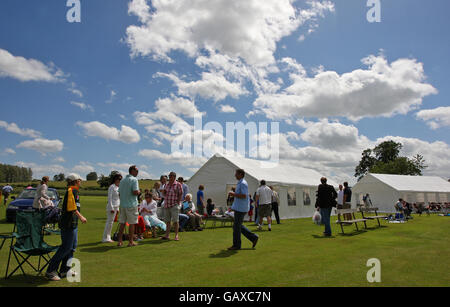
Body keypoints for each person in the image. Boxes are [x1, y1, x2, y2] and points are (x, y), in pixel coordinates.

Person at [46, 174, 87, 281]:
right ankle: (51, 271)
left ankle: (65, 270)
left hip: (73, 224)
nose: (80, 182)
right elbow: (71, 207)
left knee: (72, 247)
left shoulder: (75, 191)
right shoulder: (71, 190)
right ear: (75, 181)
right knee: (66, 247)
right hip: (68, 224)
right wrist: (81, 216)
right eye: (79, 180)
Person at [228, 169, 259, 250]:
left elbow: (244, 196)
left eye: (236, 173)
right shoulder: (240, 183)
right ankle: (253, 237)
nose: (235, 175)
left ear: (241, 174)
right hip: (240, 207)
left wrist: (233, 194)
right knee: (237, 226)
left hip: (241, 208)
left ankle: (237, 245)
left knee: (236, 227)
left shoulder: (243, 183)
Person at [117, 165, 141, 247]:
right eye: (136, 171)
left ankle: (119, 241)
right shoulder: (134, 180)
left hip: (123, 205)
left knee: (122, 223)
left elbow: (119, 193)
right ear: (132, 171)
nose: (138, 172)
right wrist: (139, 192)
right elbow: (135, 192)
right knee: (132, 223)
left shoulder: (122, 180)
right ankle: (131, 242)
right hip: (131, 204)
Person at [161, 172, 183, 241]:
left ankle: (176, 235)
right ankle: (167, 235)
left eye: (171, 176)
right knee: (167, 221)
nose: (169, 177)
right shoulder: (166, 185)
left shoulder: (178, 184)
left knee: (175, 221)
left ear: (174, 177)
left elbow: (181, 193)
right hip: (167, 204)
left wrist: (178, 202)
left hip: (174, 205)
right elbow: (164, 194)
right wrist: (163, 192)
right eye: (169, 176)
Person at [102, 173, 122, 243]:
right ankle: (105, 238)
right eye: (119, 179)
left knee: (111, 223)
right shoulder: (112, 187)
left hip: (116, 206)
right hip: (112, 207)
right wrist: (111, 208)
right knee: (109, 222)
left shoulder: (118, 187)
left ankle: (108, 237)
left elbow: (118, 198)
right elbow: (109, 198)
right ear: (115, 179)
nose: (120, 181)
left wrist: (118, 208)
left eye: (120, 179)